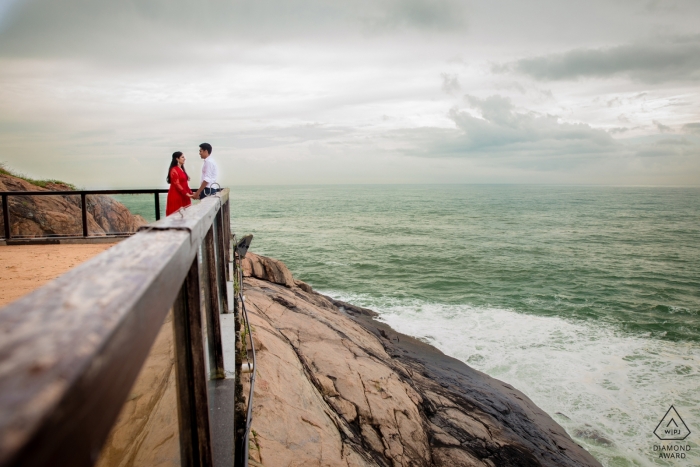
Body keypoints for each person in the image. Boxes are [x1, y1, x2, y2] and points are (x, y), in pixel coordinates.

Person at [165, 151, 193, 216]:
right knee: (177, 217)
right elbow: (177, 184)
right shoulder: (174, 169)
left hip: (184, 196)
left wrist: (191, 193)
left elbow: (185, 184)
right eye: (182, 157)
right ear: (177, 158)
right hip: (176, 196)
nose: (184, 158)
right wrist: (187, 194)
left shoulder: (182, 169)